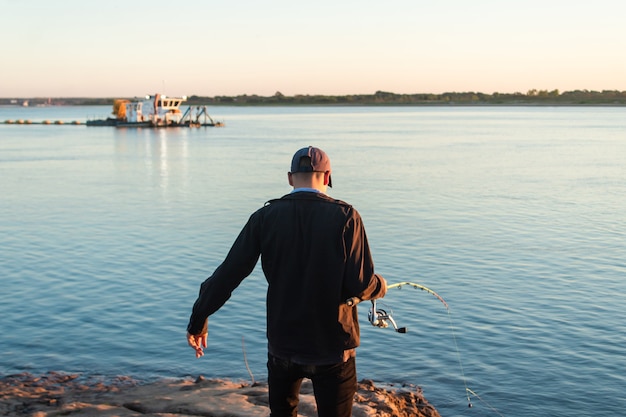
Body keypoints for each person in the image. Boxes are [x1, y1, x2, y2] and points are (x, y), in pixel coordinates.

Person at [187, 146, 387, 417]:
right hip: (333, 348)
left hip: (283, 346)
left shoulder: (264, 217)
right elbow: (361, 284)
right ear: (327, 176)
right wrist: (380, 286)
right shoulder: (346, 217)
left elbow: (229, 273)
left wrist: (199, 318)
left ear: (290, 178)